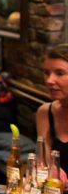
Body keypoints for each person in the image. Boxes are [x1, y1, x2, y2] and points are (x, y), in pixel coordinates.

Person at [35, 44, 68, 176]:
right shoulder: (45, 112)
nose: (49, 80)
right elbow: (44, 165)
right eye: (46, 73)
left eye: (60, 73)